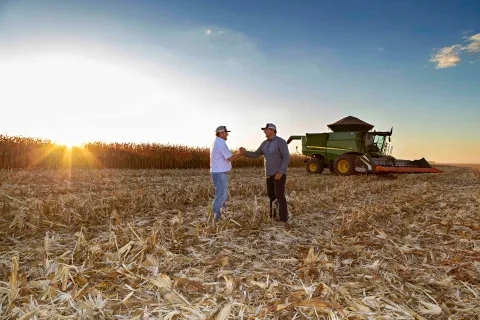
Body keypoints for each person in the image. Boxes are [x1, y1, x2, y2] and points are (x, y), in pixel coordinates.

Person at [240, 123, 291, 229]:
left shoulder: (280, 142)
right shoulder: (264, 144)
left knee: (280, 196)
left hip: (278, 174)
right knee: (271, 196)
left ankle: (283, 219)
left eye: (266, 130)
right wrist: (245, 153)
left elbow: (286, 157)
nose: (264, 131)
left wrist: (281, 172)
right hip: (268, 175)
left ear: (272, 130)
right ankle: (273, 215)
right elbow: (255, 154)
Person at [210, 125, 245, 222]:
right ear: (221, 133)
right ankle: (216, 218)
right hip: (220, 173)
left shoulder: (215, 142)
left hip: (216, 172)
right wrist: (241, 153)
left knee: (221, 194)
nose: (227, 134)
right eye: (226, 132)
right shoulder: (220, 143)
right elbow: (230, 158)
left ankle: (222, 214)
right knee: (221, 195)